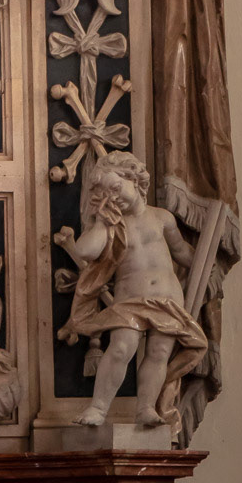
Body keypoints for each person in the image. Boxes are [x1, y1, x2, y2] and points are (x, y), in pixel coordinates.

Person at [62, 151, 207, 434]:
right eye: (106, 193)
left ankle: (146, 407)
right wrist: (100, 222)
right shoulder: (113, 226)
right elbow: (84, 251)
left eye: (116, 188)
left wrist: (208, 261)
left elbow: (182, 253)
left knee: (159, 351)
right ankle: (98, 407)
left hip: (168, 299)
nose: (114, 197)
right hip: (130, 300)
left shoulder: (162, 218)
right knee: (121, 348)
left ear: (134, 179)